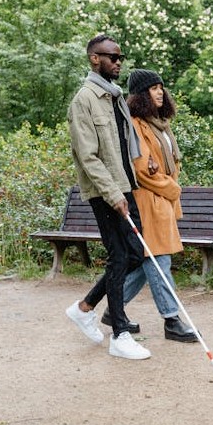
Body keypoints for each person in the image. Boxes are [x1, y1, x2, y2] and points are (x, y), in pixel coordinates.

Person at [64, 34, 151, 360]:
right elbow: (88, 157)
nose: (118, 62)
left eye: (120, 57)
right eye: (112, 57)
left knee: (134, 253)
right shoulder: (83, 101)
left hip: (124, 188)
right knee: (120, 256)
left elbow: (120, 147)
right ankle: (120, 334)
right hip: (105, 192)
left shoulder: (114, 97)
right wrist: (113, 193)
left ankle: (85, 308)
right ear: (94, 59)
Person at [99, 69, 198, 343]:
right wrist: (173, 188)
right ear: (140, 95)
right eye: (152, 88)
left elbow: (165, 164)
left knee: (148, 263)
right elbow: (143, 169)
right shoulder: (136, 125)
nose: (159, 92)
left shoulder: (160, 123)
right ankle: (172, 320)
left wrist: (167, 185)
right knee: (159, 260)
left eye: (160, 87)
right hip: (148, 201)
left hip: (161, 202)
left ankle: (112, 309)